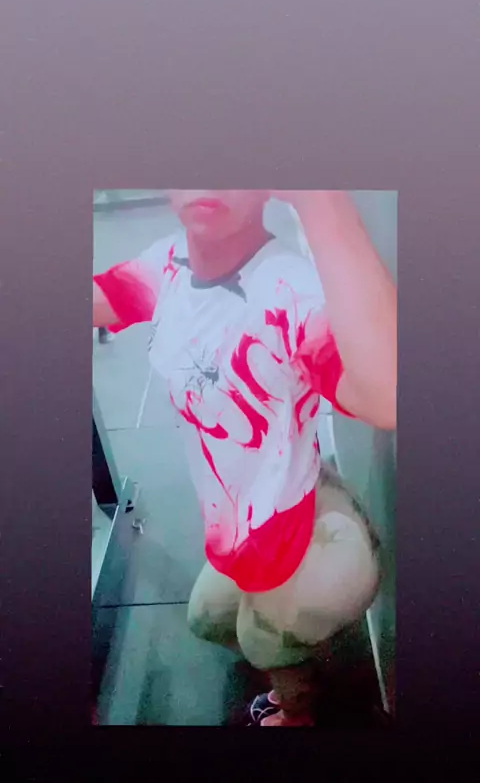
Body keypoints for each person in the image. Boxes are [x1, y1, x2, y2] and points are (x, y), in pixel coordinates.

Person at [93, 190, 397, 726]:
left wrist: (321, 200)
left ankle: (296, 712)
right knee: (207, 621)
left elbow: (388, 396)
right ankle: (290, 658)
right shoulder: (169, 262)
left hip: (286, 521)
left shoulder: (291, 293)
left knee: (263, 642)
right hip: (233, 523)